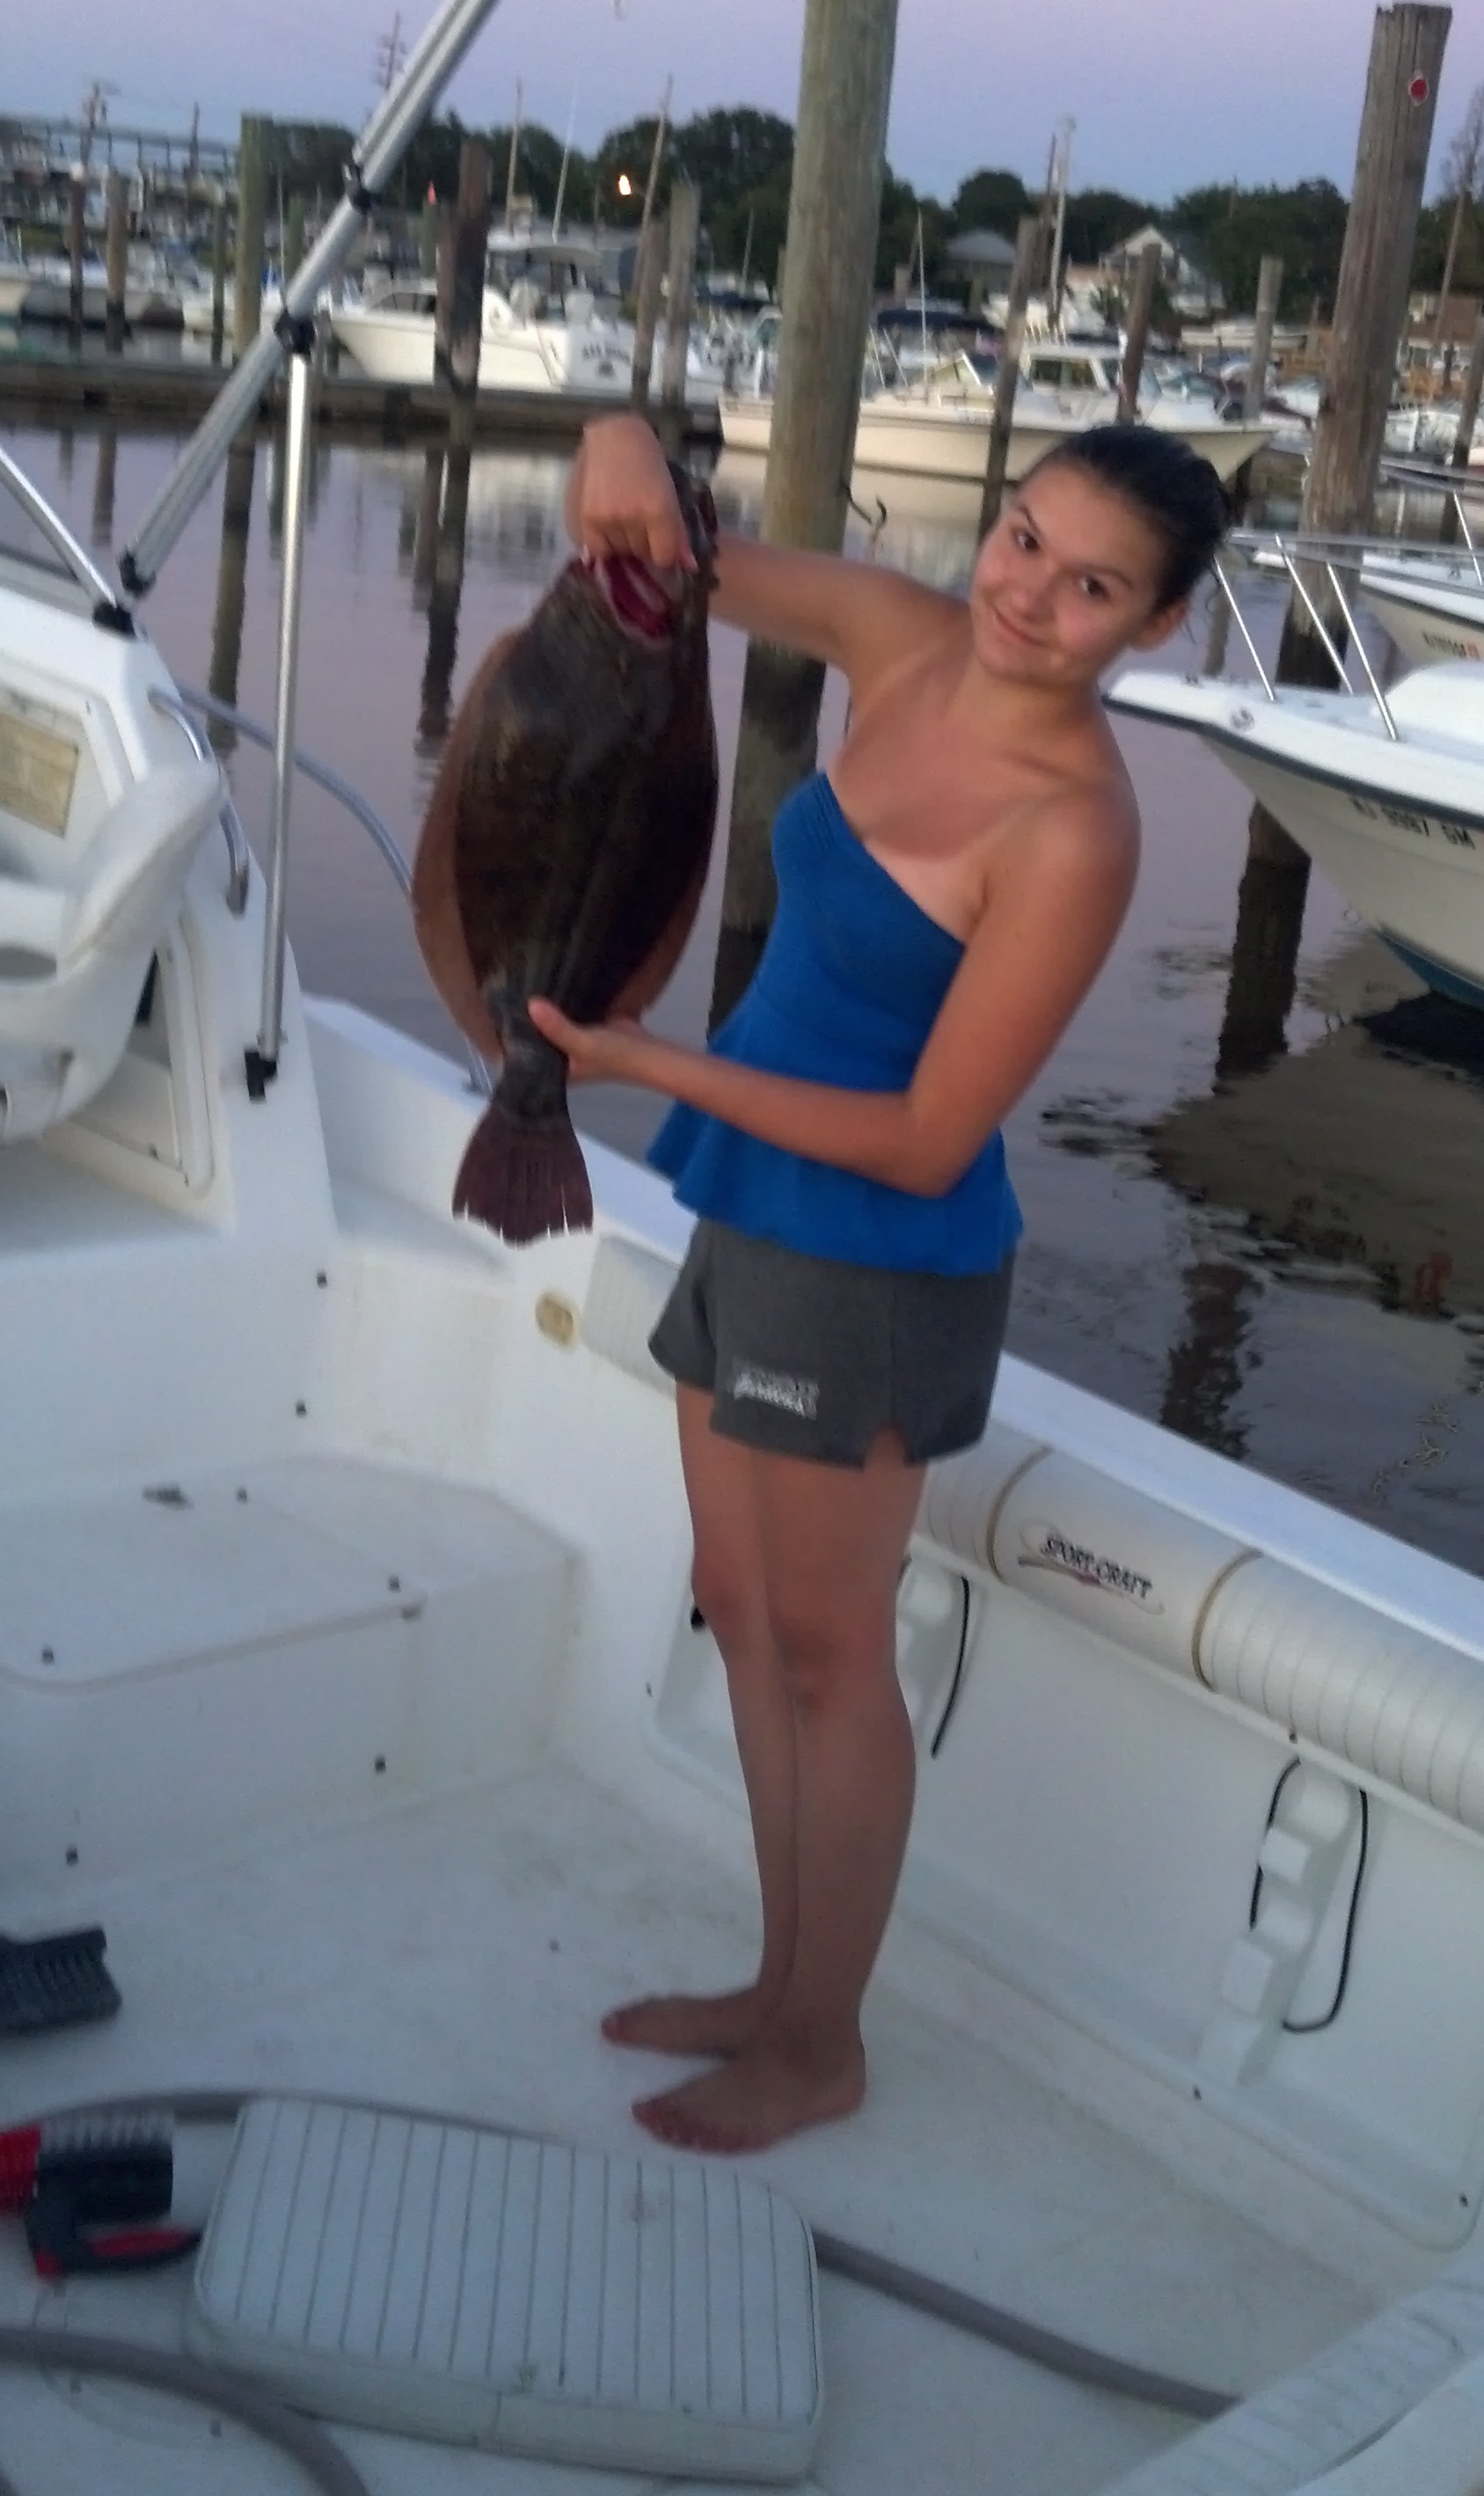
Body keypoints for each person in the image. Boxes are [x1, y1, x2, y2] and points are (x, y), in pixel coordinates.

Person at [530, 414, 1230, 2155]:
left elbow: (925, 1142)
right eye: (1023, 538)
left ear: (1154, 629)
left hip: (872, 1262)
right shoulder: (901, 636)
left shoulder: (1074, 831)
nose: (1028, 596)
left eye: (1093, 589)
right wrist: (617, 442)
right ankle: (773, 1986)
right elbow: (660, 567)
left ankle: (817, 2043)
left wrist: (651, 1066)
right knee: (736, 1597)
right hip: (749, 1195)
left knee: (830, 1651)